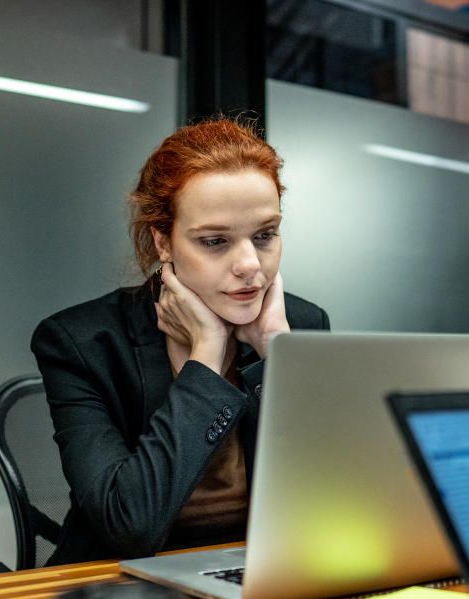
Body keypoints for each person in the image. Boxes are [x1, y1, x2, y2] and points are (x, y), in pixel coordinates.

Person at [31, 116, 330, 565]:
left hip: (264, 574)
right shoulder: (81, 343)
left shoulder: (298, 327)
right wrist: (206, 355)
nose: (251, 264)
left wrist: (277, 353)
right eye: (214, 241)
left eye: (265, 235)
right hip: (122, 591)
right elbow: (132, 525)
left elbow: (332, 503)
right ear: (163, 242)